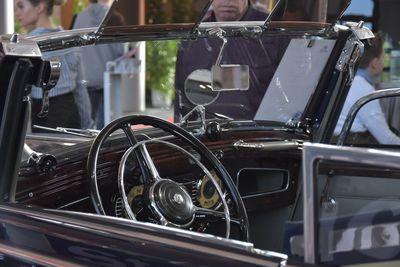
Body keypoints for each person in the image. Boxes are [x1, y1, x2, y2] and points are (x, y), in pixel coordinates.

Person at [174, 0, 288, 121]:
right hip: (207, 134)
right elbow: (181, 99)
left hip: (262, 131)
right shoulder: (194, 38)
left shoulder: (273, 31)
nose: (227, 1)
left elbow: (289, 89)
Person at [15, 0, 93, 131]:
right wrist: (88, 126)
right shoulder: (70, 40)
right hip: (72, 115)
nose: (17, 13)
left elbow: (18, 94)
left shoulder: (27, 45)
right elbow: (81, 88)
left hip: (44, 117)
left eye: (21, 6)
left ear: (40, 7)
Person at [334, 32, 400, 145]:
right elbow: (385, 138)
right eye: (383, 58)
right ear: (374, 63)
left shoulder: (349, 80)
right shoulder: (363, 89)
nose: (385, 63)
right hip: (352, 150)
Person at [73, 0, 125, 130]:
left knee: (87, 126)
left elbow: (74, 48)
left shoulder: (80, 17)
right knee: (108, 127)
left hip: (86, 79)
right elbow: (119, 50)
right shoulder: (115, 18)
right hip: (108, 80)